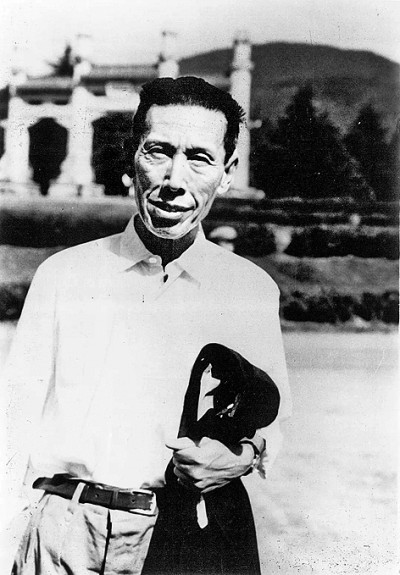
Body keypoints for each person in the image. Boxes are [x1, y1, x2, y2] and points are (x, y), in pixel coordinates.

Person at [4, 76, 291, 575]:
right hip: (62, 535)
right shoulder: (64, 275)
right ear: (130, 161)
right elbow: (12, 425)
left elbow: (271, 418)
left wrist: (243, 456)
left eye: (199, 158)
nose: (174, 179)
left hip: (178, 538)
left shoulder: (249, 290)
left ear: (226, 173)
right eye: (159, 151)